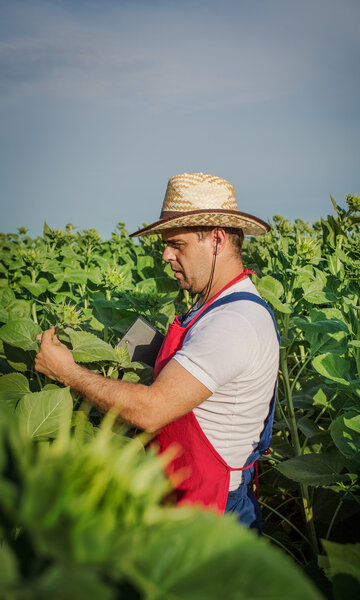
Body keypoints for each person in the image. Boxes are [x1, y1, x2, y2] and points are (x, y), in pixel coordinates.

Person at [35, 172, 280, 532]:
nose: (166, 255)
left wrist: (68, 372)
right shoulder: (211, 304)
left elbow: (151, 410)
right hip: (182, 493)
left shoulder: (234, 321)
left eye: (177, 244)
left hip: (210, 511)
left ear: (216, 240)